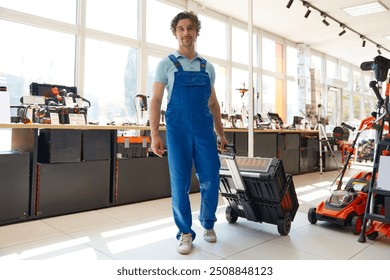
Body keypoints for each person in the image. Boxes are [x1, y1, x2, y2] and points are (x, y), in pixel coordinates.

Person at [150, 11, 228, 255]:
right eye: (181, 28)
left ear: (196, 32)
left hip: (204, 131)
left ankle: (208, 224)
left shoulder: (208, 67)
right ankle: (185, 232)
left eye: (190, 28)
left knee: (211, 179)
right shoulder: (166, 64)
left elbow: (214, 104)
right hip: (178, 132)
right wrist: (154, 134)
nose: (186, 33)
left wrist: (221, 133)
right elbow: (155, 99)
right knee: (180, 182)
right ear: (175, 32)